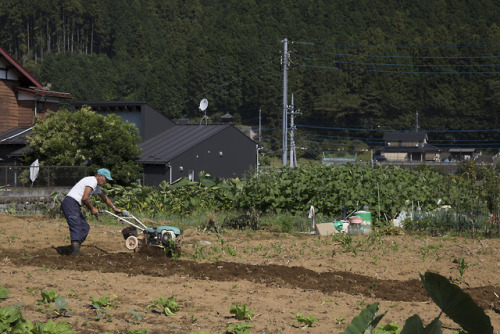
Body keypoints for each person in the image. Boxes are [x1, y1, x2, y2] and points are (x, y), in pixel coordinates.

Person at [61, 168, 121, 256]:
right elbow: (85, 198)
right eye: (106, 179)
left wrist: (114, 208)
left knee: (85, 227)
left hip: (74, 205)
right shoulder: (92, 180)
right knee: (76, 226)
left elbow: (104, 197)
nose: (106, 182)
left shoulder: (95, 185)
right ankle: (75, 253)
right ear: (100, 176)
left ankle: (73, 248)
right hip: (70, 203)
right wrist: (92, 209)